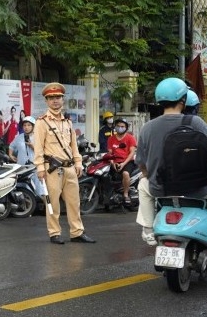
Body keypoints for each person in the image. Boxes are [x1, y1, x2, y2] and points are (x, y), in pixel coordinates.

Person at [135, 78, 207, 252]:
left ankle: (148, 230)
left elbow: (142, 164)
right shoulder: (195, 123)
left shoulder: (147, 127)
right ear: (183, 100)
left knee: (143, 185)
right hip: (198, 189)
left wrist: (151, 176)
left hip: (161, 190)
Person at [33, 83, 96, 244]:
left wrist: (78, 163)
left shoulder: (67, 122)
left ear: (63, 100)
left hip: (69, 168)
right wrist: (40, 168)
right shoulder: (42, 122)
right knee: (52, 203)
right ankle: (54, 233)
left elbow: (73, 145)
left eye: (58, 97)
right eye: (52, 98)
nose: (55, 101)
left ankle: (77, 232)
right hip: (52, 169)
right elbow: (38, 148)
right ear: (47, 101)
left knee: (74, 202)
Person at [9, 116, 45, 196]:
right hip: (22, 169)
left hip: (35, 168)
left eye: (29, 125)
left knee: (40, 189)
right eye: (24, 125)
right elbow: (11, 146)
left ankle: (46, 206)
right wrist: (10, 155)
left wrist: (33, 147)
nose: (26, 127)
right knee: (25, 190)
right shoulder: (19, 137)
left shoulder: (38, 137)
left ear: (33, 126)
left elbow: (44, 153)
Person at [106, 118, 137, 205]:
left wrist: (123, 164)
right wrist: (113, 163)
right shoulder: (111, 139)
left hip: (127, 161)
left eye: (122, 126)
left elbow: (132, 153)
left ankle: (126, 194)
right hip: (115, 161)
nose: (120, 128)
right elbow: (110, 153)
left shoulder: (130, 138)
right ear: (115, 127)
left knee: (125, 174)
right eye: (118, 126)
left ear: (126, 128)